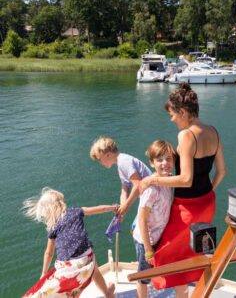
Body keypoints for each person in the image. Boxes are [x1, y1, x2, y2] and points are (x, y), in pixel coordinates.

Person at [140, 82, 226, 297]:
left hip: (186, 208)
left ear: (183, 112)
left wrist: (153, 181)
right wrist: (207, 193)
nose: (172, 119)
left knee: (162, 253)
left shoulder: (186, 136)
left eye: (173, 115)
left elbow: (186, 179)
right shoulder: (214, 131)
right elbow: (222, 171)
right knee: (191, 253)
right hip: (207, 202)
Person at [22, 187, 117, 298]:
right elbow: (99, 209)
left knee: (71, 288)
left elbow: (49, 253)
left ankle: (107, 293)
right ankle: (108, 294)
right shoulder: (75, 211)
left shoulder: (53, 226)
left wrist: (44, 273)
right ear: (61, 203)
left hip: (66, 267)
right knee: (91, 269)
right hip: (87, 258)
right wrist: (113, 207)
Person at [132, 140, 176, 298]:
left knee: (149, 271)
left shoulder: (169, 180)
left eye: (169, 158)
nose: (165, 163)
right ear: (151, 163)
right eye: (159, 160)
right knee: (143, 277)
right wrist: (148, 249)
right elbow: (142, 220)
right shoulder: (151, 189)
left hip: (157, 235)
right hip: (146, 240)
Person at [90, 137, 152, 217]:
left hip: (154, 199)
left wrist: (126, 205)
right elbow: (124, 190)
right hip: (149, 199)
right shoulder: (120, 164)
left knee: (138, 227)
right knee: (135, 227)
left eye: (99, 159)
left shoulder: (124, 161)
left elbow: (138, 185)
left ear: (108, 155)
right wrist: (122, 211)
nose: (100, 163)